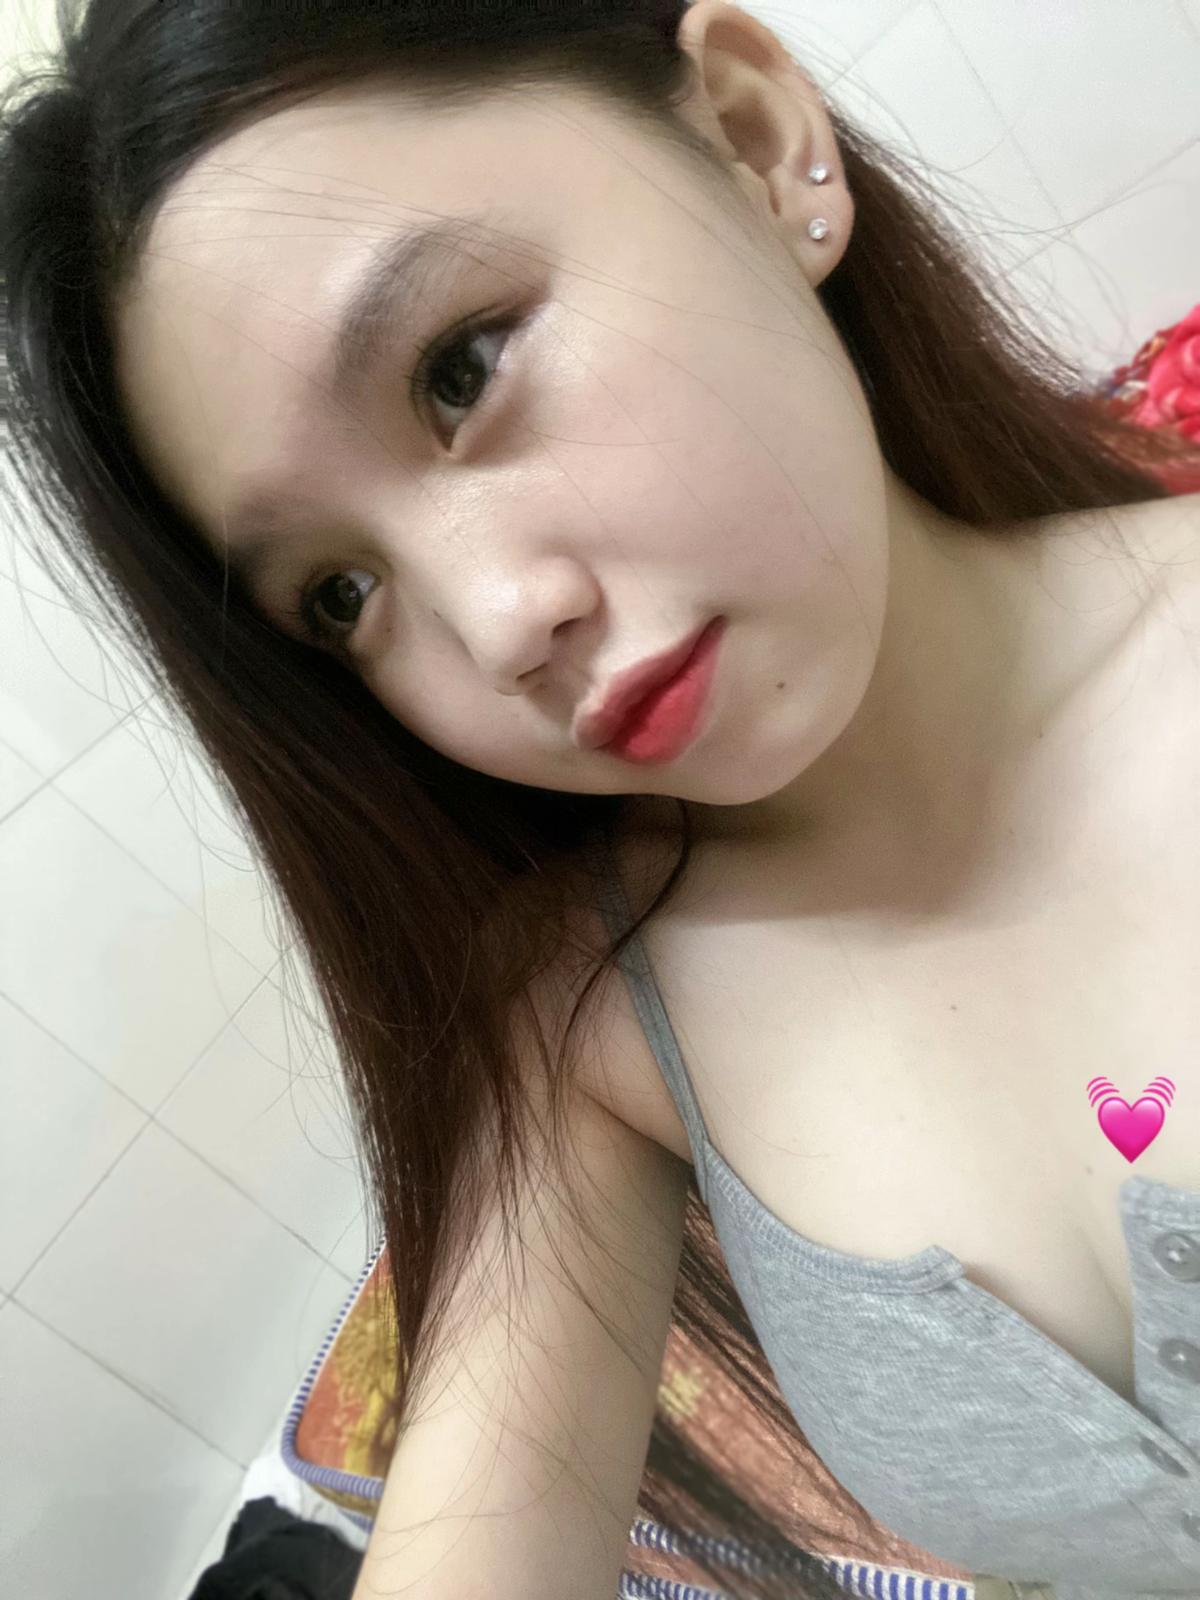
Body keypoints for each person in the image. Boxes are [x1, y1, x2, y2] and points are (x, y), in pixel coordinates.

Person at [3, 3, 1199, 1597]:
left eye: (461, 368)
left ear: (757, 140)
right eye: (342, 594)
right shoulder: (591, 1018)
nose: (497, 624)